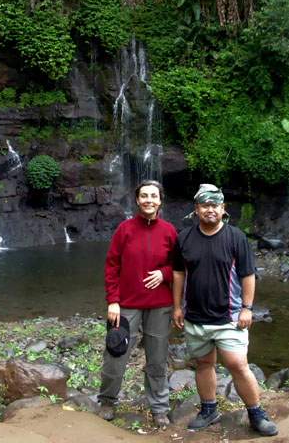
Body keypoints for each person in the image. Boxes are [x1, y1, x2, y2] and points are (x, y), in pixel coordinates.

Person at [172, 184, 278, 437]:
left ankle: (256, 413)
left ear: (223, 209)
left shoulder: (236, 237)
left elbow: (248, 275)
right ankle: (209, 409)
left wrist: (247, 308)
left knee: (238, 364)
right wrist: (177, 306)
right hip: (195, 316)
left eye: (215, 205)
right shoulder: (184, 237)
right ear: (196, 209)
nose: (210, 210)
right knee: (203, 364)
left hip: (229, 316)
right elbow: (178, 273)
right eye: (205, 205)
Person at [98, 180, 178, 428]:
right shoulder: (125, 229)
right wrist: (113, 300)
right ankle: (107, 401)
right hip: (127, 305)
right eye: (144, 196)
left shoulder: (169, 231)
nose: (149, 200)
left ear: (160, 200)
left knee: (157, 358)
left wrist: (163, 274)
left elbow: (178, 267)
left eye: (153, 196)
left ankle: (159, 407)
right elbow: (112, 266)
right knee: (116, 352)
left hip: (160, 305)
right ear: (137, 200)